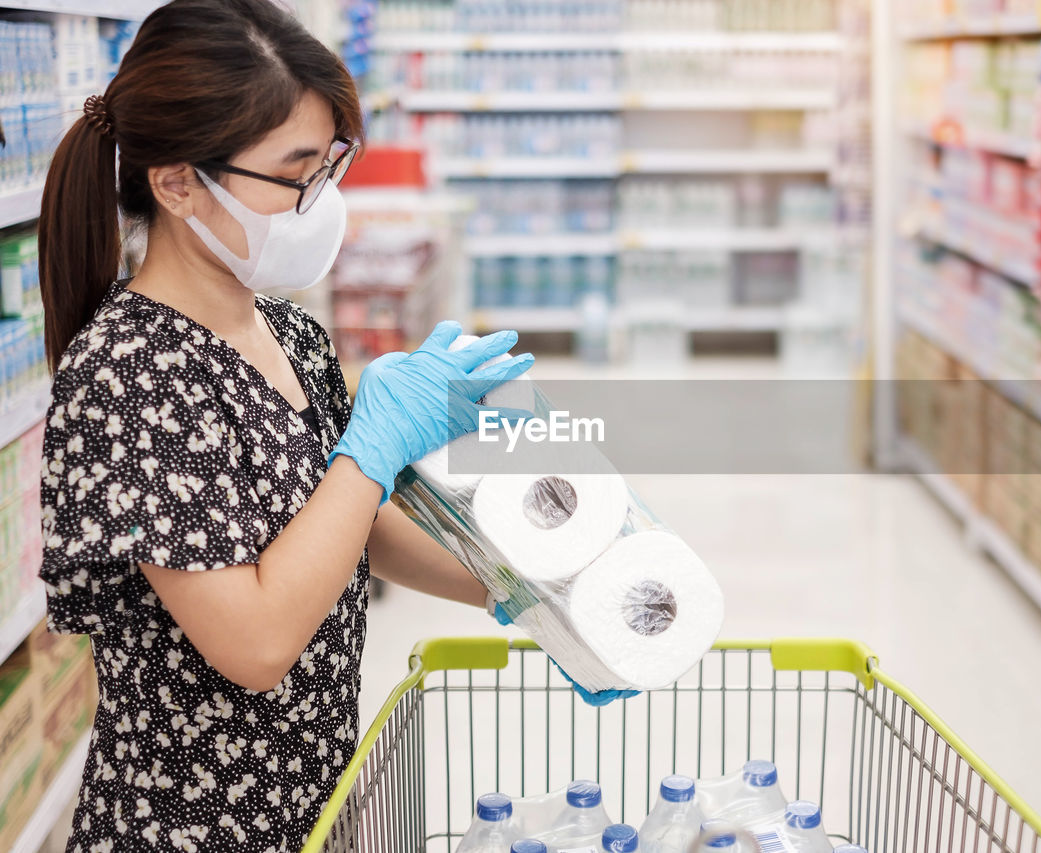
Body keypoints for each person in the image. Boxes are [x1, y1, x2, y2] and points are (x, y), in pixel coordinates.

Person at [36, 2, 625, 850]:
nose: (323, 201)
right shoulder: (129, 373)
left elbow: (352, 531)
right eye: (296, 172)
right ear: (177, 183)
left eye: (330, 165)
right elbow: (257, 640)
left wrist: (531, 594)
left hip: (311, 806)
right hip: (188, 829)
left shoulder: (287, 330)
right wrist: (372, 448)